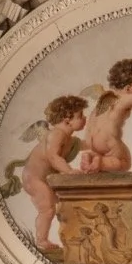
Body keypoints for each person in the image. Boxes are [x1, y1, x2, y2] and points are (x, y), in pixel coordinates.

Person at [21, 94, 87, 251]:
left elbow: (82, 146)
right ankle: (41, 241)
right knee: (47, 208)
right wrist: (69, 171)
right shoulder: (57, 134)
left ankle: (71, 238)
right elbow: (53, 157)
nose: (84, 118)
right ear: (67, 119)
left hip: (44, 179)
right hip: (33, 178)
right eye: (80, 116)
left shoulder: (68, 138)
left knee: (60, 207)